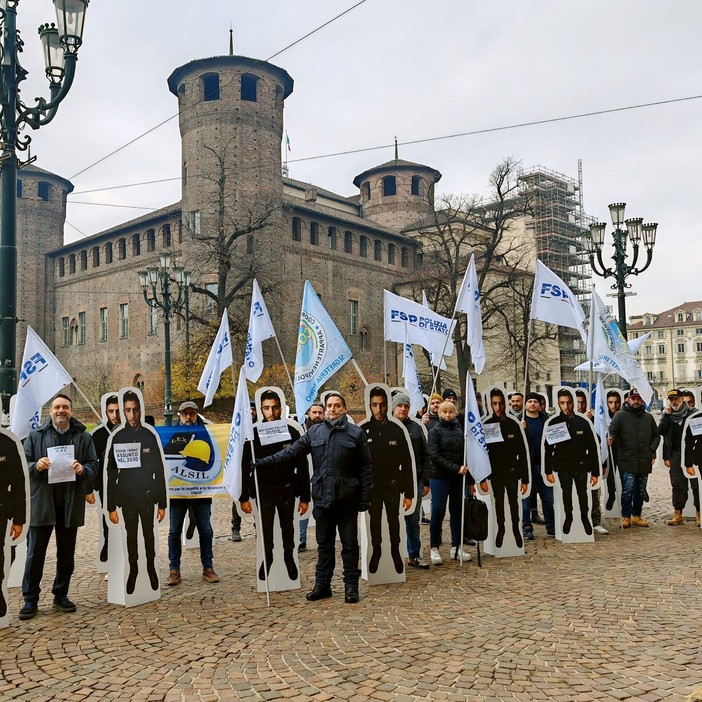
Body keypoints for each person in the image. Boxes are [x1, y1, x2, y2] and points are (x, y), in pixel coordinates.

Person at [253, 392, 372, 604]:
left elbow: (366, 468)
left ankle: (351, 587)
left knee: (349, 546)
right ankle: (322, 585)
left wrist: (365, 498)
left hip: (347, 499)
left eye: (337, 406)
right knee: (324, 545)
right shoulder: (315, 432)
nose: (332, 409)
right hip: (322, 500)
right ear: (325, 409)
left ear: (344, 409)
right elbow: (291, 452)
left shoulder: (356, 433)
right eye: (329, 406)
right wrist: (263, 462)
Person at [20, 394, 98, 620]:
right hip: (42, 501)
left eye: (65, 407)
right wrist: (36, 465)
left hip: (70, 502)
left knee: (66, 553)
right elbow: (23, 465)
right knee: (35, 553)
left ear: (71, 410)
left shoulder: (83, 436)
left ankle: (60, 594)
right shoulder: (36, 436)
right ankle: (30, 599)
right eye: (57, 407)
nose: (61, 410)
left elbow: (94, 463)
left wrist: (84, 470)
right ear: (50, 411)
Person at [240, 390, 310, 582]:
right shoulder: (252, 434)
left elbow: (303, 466)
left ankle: (289, 558)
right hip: (263, 491)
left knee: (288, 529)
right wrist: (243, 496)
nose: (271, 412)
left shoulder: (292, 432)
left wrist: (305, 497)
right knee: (265, 529)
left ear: (281, 408)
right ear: (261, 409)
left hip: (287, 490)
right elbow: (244, 466)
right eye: (266, 408)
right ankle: (267, 559)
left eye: (275, 407)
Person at [106, 391, 167, 594]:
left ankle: (151, 567)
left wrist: (163, 503)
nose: (132, 415)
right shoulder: (118, 436)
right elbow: (110, 473)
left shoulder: (149, 435)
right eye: (128, 410)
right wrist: (111, 506)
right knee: (130, 536)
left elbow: (159, 471)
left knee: (148, 535)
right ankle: (133, 569)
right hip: (127, 498)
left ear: (140, 410)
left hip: (147, 496)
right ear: (124, 412)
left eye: (135, 410)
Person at [165, 400, 219, 587]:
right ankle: (174, 569)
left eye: (192, 413)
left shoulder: (207, 431)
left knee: (205, 529)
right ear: (179, 415)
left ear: (196, 414)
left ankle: (208, 567)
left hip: (201, 488)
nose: (188, 417)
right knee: (174, 531)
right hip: (177, 491)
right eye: (185, 413)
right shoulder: (170, 431)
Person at [361, 387, 414, 575]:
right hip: (373, 488)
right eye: (375, 405)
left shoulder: (396, 429)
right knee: (374, 523)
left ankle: (395, 553)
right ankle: (376, 552)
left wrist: (409, 494)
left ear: (387, 406)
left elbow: (407, 464)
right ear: (370, 405)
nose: (378, 409)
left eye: (382, 405)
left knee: (394, 523)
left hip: (392, 486)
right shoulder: (362, 430)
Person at [543, 389, 599, 536]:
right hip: (563, 467)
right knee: (566, 495)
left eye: (568, 402)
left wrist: (595, 472)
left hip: (581, 465)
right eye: (562, 403)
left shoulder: (582, 421)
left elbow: (593, 448)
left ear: (573, 402)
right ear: (558, 404)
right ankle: (568, 517)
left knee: (583, 495)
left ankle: (585, 519)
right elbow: (548, 449)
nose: (566, 406)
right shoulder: (554, 422)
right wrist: (548, 471)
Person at [480, 389, 529, 549]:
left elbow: (522, 453)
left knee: (514, 503)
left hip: (512, 472)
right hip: (494, 473)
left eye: (501, 403)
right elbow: (479, 454)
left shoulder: (513, 423)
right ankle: (501, 530)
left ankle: (516, 529)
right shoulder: (485, 424)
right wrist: (480, 479)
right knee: (498, 503)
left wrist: (525, 479)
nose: (498, 407)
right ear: (489, 404)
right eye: (495, 403)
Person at [427, 400, 472, 564]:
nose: (447, 415)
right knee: (438, 511)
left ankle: (457, 546)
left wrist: (470, 479)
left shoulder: (461, 430)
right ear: (439, 413)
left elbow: (466, 454)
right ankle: (434, 547)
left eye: (450, 412)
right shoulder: (434, 431)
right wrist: (455, 468)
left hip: (458, 478)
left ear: (455, 413)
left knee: (457, 511)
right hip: (439, 477)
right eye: (444, 412)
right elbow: (434, 455)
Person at [608, 390, 660, 529]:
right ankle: (626, 516)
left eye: (638, 398)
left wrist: (651, 450)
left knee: (641, 490)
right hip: (627, 459)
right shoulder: (620, 415)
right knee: (628, 489)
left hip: (644, 459)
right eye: (633, 398)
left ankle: (637, 515)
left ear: (642, 400)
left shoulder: (648, 417)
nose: (636, 401)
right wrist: (611, 437)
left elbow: (656, 436)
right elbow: (612, 430)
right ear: (628, 400)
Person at [392, 393, 430, 569]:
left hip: (415, 480)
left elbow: (425, 455)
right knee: (391, 519)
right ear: (393, 407)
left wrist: (425, 480)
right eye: (400, 406)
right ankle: (392, 555)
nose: (403, 409)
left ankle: (414, 554)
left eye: (406, 406)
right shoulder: (386, 427)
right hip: (391, 481)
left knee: (413, 519)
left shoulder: (416, 427)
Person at [659, 389, 699, 526]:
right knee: (677, 484)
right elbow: (661, 433)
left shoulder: (694, 414)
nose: (674, 402)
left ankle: (699, 514)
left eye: (676, 399)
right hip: (675, 453)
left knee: (696, 484)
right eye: (671, 400)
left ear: (682, 399)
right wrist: (665, 415)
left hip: (692, 454)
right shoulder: (669, 416)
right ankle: (678, 514)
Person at [88, 394, 120, 563]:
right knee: (108, 517)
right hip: (106, 485)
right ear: (105, 412)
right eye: (110, 411)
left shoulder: (129, 431)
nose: (115, 415)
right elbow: (92, 463)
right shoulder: (99, 434)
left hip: (129, 484)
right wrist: (90, 488)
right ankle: (108, 546)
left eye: (117, 411)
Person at [0, 428, 27, 618]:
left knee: (3, 554)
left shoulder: (7, 443)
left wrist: (19, 520)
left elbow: (19, 483)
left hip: (2, 510)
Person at [521, 392, 554, 539]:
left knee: (547, 498)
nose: (532, 404)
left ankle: (551, 526)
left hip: (544, 465)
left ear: (540, 405)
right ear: (526, 405)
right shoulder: (520, 421)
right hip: (527, 465)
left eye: (535, 401)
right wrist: (519, 430)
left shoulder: (547, 421)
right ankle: (527, 526)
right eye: (530, 402)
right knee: (526, 498)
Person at [575, 389, 607, 535]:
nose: (580, 405)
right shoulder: (565, 419)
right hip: (573, 463)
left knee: (595, 493)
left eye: (583, 402)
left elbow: (598, 441)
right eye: (578, 402)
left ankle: (595, 521)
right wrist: (580, 420)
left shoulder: (594, 419)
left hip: (591, 461)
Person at [299, 401, 324, 552]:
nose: (317, 415)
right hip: (304, 475)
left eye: (320, 413)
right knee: (303, 508)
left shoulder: (327, 430)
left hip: (321, 476)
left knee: (321, 511)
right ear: (308, 414)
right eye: (314, 412)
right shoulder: (300, 430)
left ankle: (323, 538)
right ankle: (301, 538)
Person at [231, 401, 258, 542]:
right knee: (239, 496)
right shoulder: (238, 426)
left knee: (257, 497)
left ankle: (257, 525)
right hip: (240, 467)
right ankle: (235, 528)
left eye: (253, 409)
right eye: (249, 409)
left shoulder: (259, 426)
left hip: (256, 466)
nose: (251, 412)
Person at [604, 390, 622, 512]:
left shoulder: (623, 414)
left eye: (616, 402)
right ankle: (611, 494)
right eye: (610, 402)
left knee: (626, 475)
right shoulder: (603, 416)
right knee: (610, 475)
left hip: (623, 449)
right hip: (609, 450)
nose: (613, 405)